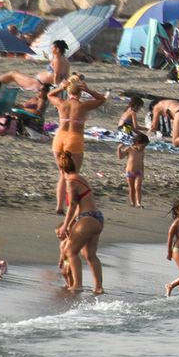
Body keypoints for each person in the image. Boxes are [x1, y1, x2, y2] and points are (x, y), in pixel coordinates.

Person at [48, 76, 108, 214]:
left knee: (62, 174)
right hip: (74, 139)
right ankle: (71, 207)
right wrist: (88, 90)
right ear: (80, 92)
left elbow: (50, 95)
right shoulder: (83, 105)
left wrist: (61, 88)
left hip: (59, 138)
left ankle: (59, 206)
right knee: (73, 175)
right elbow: (102, 99)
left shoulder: (61, 103)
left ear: (68, 91)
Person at [55, 151, 104, 295]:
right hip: (97, 218)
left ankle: (77, 285)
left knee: (71, 251)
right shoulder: (79, 178)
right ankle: (98, 287)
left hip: (87, 218)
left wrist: (65, 225)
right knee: (90, 255)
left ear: (61, 169)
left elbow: (73, 206)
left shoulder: (71, 181)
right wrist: (71, 224)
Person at [0, 40, 69, 93]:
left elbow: (56, 74)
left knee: (12, 74)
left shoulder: (57, 59)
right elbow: (66, 75)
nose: (51, 49)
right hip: (41, 83)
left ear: (57, 49)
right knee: (12, 75)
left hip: (38, 84)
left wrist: (55, 88)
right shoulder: (65, 60)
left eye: (52, 48)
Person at [117, 133, 148, 207]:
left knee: (138, 187)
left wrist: (143, 173)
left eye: (145, 146)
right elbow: (120, 157)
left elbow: (142, 163)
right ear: (137, 143)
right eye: (143, 146)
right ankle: (132, 202)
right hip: (129, 172)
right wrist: (119, 149)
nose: (144, 148)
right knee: (131, 188)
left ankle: (138, 203)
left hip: (138, 172)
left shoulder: (142, 152)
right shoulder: (129, 149)